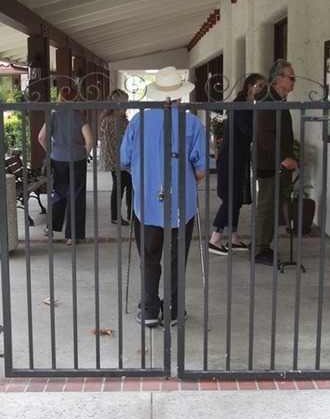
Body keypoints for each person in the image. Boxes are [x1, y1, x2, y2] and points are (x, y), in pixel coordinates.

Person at [120, 66, 207, 327]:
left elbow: (124, 161)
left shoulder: (138, 121)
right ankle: (173, 310)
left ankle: (149, 310)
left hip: (147, 202)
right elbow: (201, 169)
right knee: (176, 258)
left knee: (149, 257)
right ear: (179, 95)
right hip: (181, 203)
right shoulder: (192, 123)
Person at [207, 73, 266, 255]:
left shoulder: (249, 104)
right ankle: (214, 239)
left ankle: (233, 238)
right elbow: (247, 130)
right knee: (230, 198)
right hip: (230, 157)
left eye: (264, 86)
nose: (261, 89)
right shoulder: (240, 104)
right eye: (259, 86)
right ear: (249, 86)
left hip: (239, 157)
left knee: (237, 199)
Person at [253, 59, 299, 266]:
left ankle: (263, 244)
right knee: (267, 207)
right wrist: (282, 157)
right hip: (269, 163)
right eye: (291, 77)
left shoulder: (277, 99)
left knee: (273, 206)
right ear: (279, 79)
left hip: (275, 163)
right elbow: (264, 134)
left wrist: (291, 156)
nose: (294, 81)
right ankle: (259, 248)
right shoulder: (269, 100)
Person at [38, 86, 93, 246]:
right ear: (76, 99)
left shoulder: (53, 116)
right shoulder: (79, 117)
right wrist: (86, 154)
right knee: (76, 196)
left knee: (59, 192)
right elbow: (89, 140)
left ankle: (50, 227)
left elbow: (41, 137)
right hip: (77, 159)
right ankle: (72, 236)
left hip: (58, 160)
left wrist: (51, 151)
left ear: (60, 98)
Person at [99, 89, 133, 225]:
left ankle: (129, 215)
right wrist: (120, 163)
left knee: (126, 186)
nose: (127, 105)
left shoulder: (121, 119)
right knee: (121, 187)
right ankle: (119, 216)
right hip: (117, 161)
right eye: (125, 102)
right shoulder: (110, 121)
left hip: (123, 160)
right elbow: (110, 145)